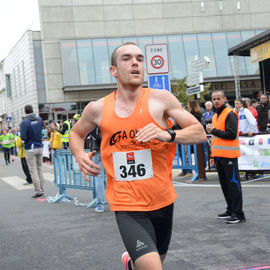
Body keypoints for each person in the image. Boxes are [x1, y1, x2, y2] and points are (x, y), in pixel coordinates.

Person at [69, 42, 206, 270]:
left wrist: (166, 134)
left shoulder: (161, 99)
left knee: (157, 259)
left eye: (140, 59)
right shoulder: (98, 108)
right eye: (126, 58)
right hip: (127, 205)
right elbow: (76, 132)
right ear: (113, 70)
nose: (135, 62)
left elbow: (199, 133)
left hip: (162, 200)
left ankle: (131, 265)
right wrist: (78, 153)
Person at [206, 91, 245, 224]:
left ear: (224, 99)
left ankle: (238, 214)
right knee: (225, 185)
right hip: (219, 156)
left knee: (233, 184)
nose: (216, 101)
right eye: (214, 99)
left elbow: (231, 134)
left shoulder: (229, 114)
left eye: (218, 99)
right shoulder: (216, 115)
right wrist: (212, 155)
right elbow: (215, 139)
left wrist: (213, 131)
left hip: (229, 156)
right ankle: (230, 210)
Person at [20, 105, 45, 198]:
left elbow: (23, 137)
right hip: (40, 146)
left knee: (33, 170)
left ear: (25, 111)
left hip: (30, 148)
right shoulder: (39, 120)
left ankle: (38, 192)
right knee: (40, 169)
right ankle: (42, 188)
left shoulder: (25, 122)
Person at [89, 126, 106, 213]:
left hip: (97, 151)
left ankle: (100, 204)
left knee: (99, 179)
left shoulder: (94, 121)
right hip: (109, 150)